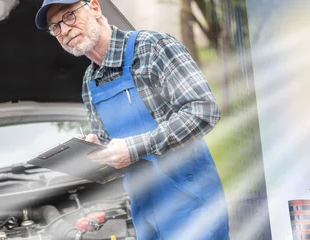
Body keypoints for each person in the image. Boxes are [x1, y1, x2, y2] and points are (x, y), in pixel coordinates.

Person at [35, 0, 229, 239]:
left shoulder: (153, 48)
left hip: (190, 200)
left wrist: (134, 148)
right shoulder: (90, 81)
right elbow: (116, 158)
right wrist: (94, 150)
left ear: (95, 7)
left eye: (69, 16)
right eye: (55, 27)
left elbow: (204, 110)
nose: (64, 30)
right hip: (144, 208)